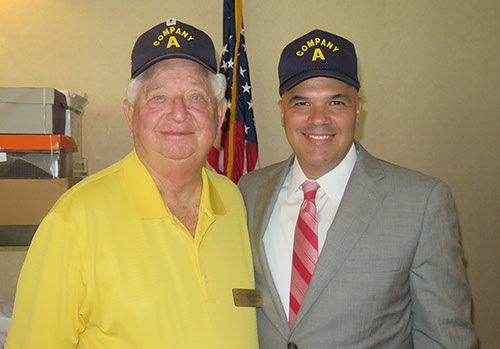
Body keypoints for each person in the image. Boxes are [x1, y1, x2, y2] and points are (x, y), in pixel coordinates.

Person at [6, 18, 258, 348]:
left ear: (221, 114)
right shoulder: (74, 220)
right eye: (158, 97)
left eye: (196, 96)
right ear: (131, 114)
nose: (178, 113)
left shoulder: (236, 203)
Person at [238, 29, 478, 348]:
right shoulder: (250, 192)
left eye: (336, 102)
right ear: (282, 111)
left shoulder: (422, 203)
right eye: (302, 103)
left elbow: (445, 339)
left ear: (357, 108)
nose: (318, 119)